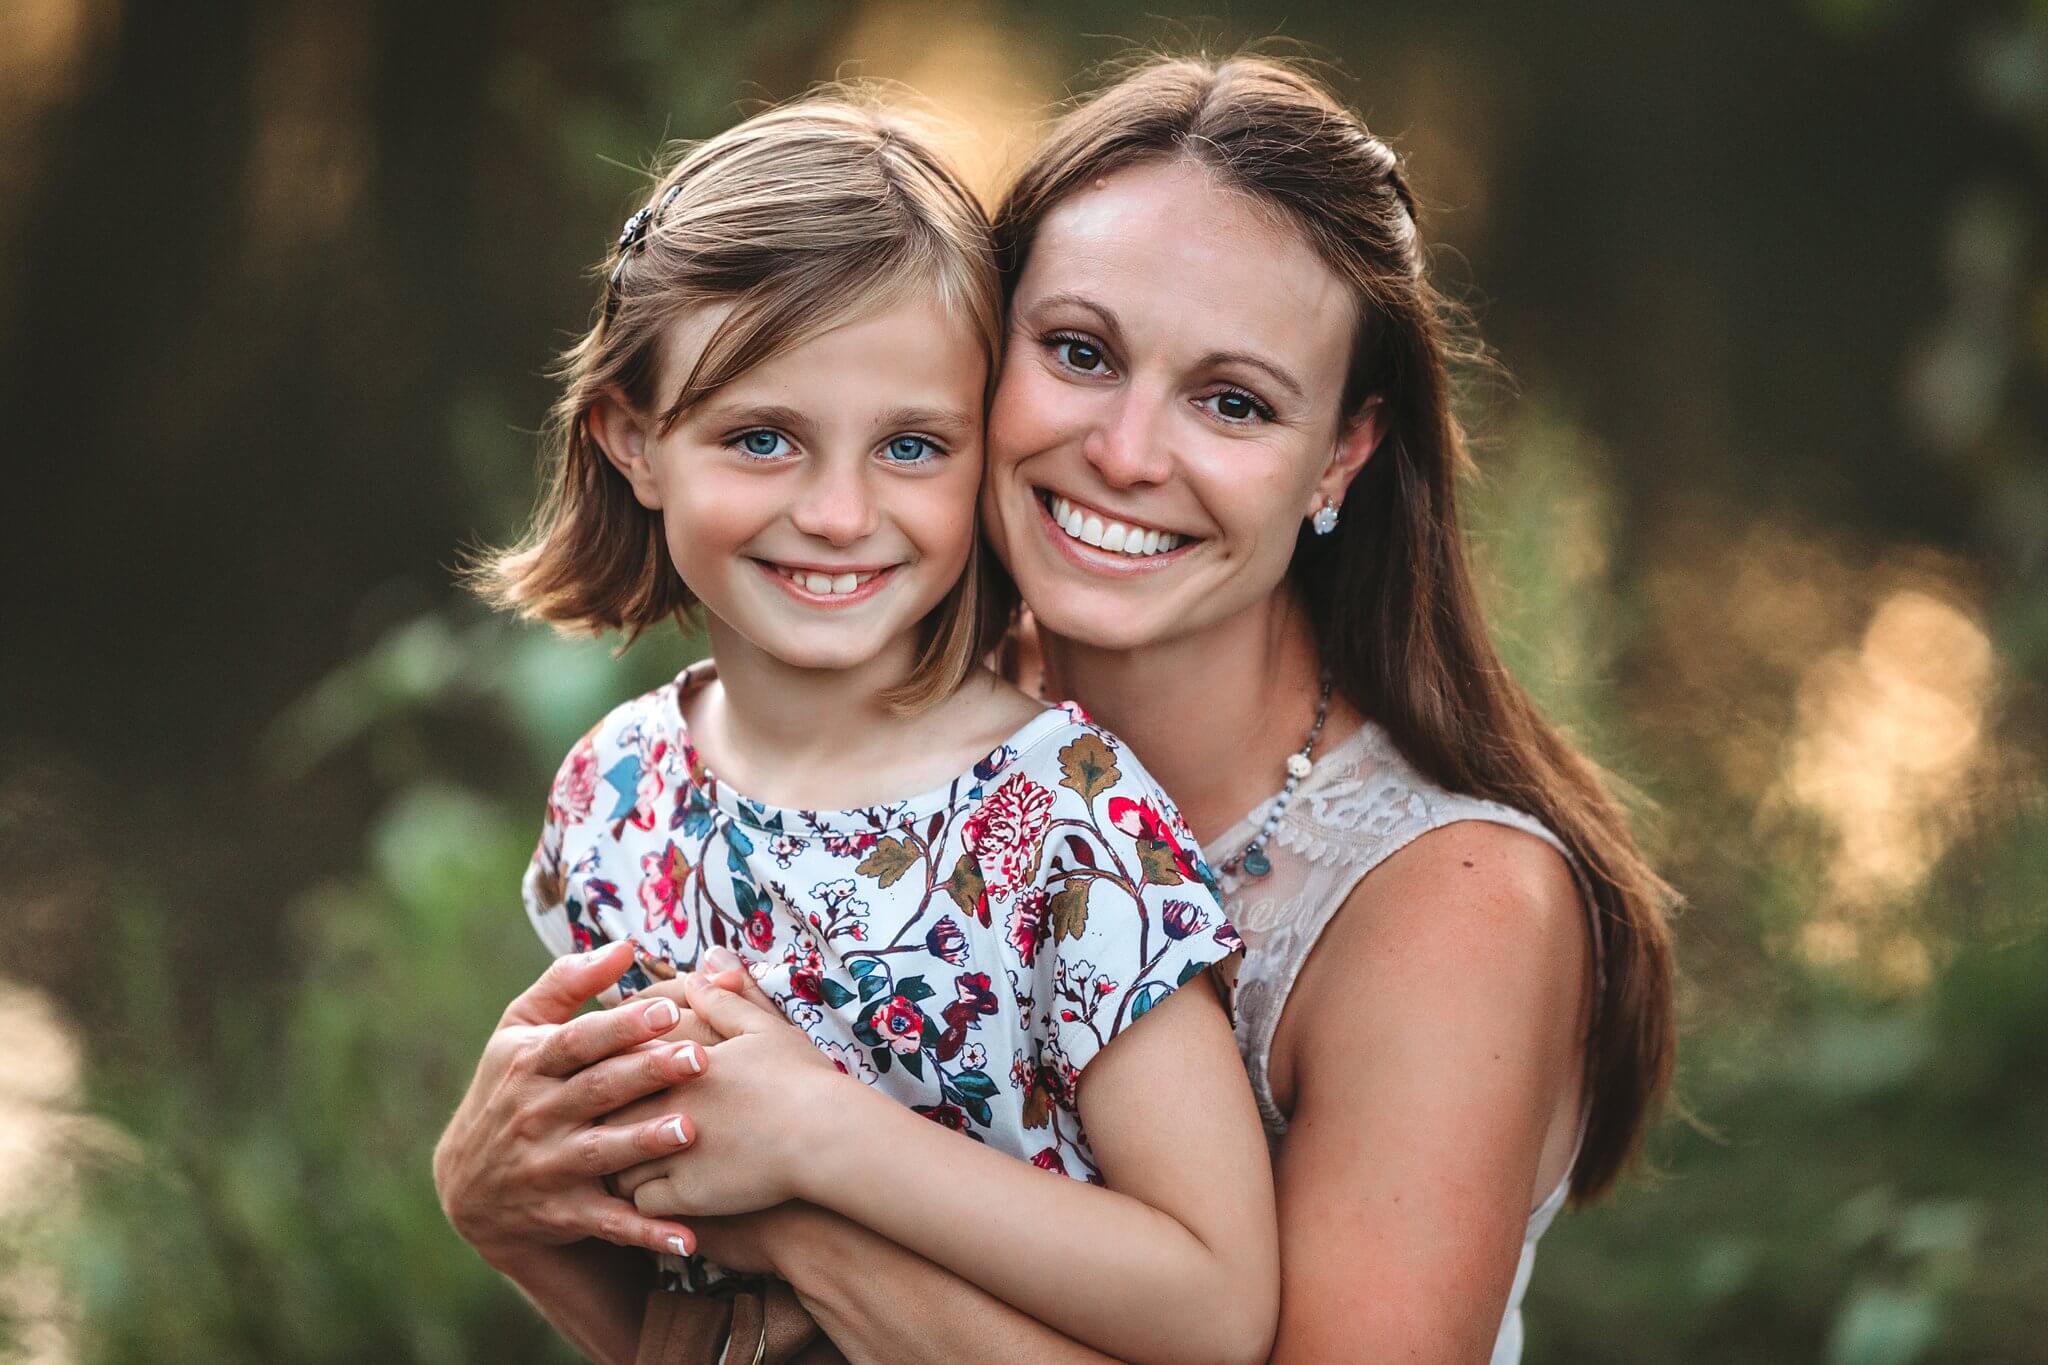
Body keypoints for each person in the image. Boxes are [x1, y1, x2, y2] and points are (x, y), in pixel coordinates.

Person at [436, 53, 1677, 1364]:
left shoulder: (1452, 903)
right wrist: (498, 1210)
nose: (1129, 453)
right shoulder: (835, 756)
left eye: (1233, 401)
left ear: (1344, 454)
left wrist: (809, 1210)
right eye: (1079, 352)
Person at [450, 91, 1277, 1365]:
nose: (837, 514)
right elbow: (673, 1303)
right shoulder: (613, 794)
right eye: (763, 437)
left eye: (908, 445)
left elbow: (1216, 1307)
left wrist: (824, 1139)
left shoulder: (1058, 818)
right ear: (632, 440)